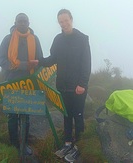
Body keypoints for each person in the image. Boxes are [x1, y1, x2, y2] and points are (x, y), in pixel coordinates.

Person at [39, 9, 91, 162]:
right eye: (61, 22)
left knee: (78, 116)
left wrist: (82, 84)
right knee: (67, 116)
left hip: (78, 87)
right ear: (59, 23)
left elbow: (86, 63)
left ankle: (79, 146)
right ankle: (68, 143)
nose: (64, 24)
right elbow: (52, 59)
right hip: (62, 85)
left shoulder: (82, 39)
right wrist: (39, 61)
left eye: (66, 20)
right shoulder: (58, 39)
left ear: (71, 19)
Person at [0, 13, 43, 154]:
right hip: (11, 82)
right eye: (20, 21)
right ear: (15, 22)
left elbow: (40, 60)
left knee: (26, 115)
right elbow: (1, 60)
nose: (22, 23)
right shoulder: (7, 39)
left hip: (29, 83)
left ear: (29, 23)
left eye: (25, 21)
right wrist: (19, 66)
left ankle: (24, 145)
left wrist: (33, 67)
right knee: (12, 116)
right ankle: (13, 145)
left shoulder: (35, 39)